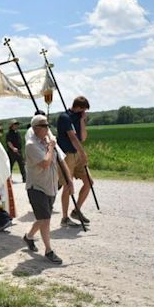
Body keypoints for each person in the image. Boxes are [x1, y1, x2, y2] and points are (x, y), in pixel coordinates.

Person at [23, 115, 74, 264]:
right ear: (35, 128)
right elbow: (45, 163)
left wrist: (69, 180)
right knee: (46, 218)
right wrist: (51, 147)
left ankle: (29, 236)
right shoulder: (31, 145)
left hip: (50, 185)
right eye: (43, 126)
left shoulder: (49, 140)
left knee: (43, 217)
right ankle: (48, 250)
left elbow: (60, 160)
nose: (47, 128)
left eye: (47, 125)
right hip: (36, 186)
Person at [57, 96, 92, 227]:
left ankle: (77, 210)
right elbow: (72, 137)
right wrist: (83, 153)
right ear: (78, 107)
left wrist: (82, 121)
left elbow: (82, 138)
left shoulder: (78, 117)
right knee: (68, 186)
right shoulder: (64, 117)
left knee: (89, 182)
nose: (83, 112)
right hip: (66, 155)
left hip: (76, 153)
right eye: (83, 110)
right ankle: (65, 218)